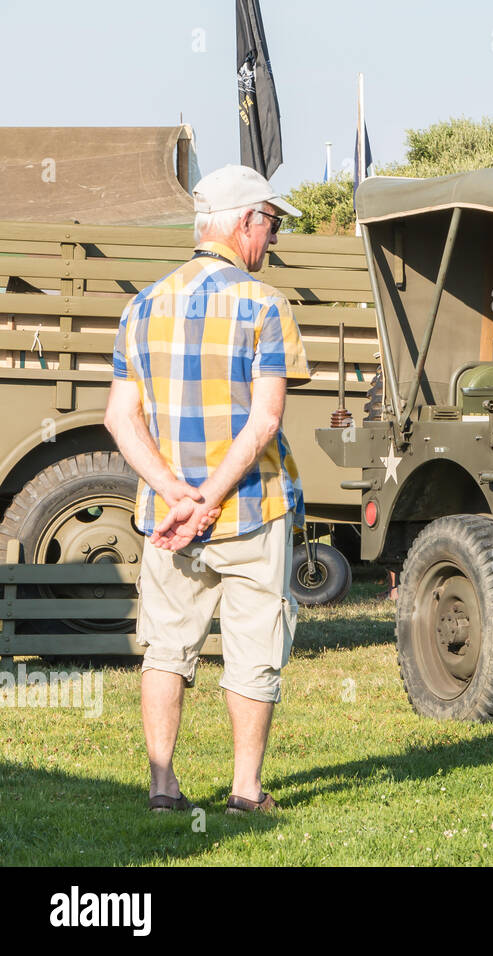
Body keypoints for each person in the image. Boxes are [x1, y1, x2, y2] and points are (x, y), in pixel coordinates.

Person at [104, 164, 310, 814]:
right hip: (252, 511)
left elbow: (119, 417)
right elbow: (266, 420)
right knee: (253, 649)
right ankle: (245, 792)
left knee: (166, 647)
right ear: (246, 220)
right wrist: (213, 498)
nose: (272, 239)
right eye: (271, 223)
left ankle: (163, 788)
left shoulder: (140, 305)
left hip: (167, 521)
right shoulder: (264, 304)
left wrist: (176, 496)